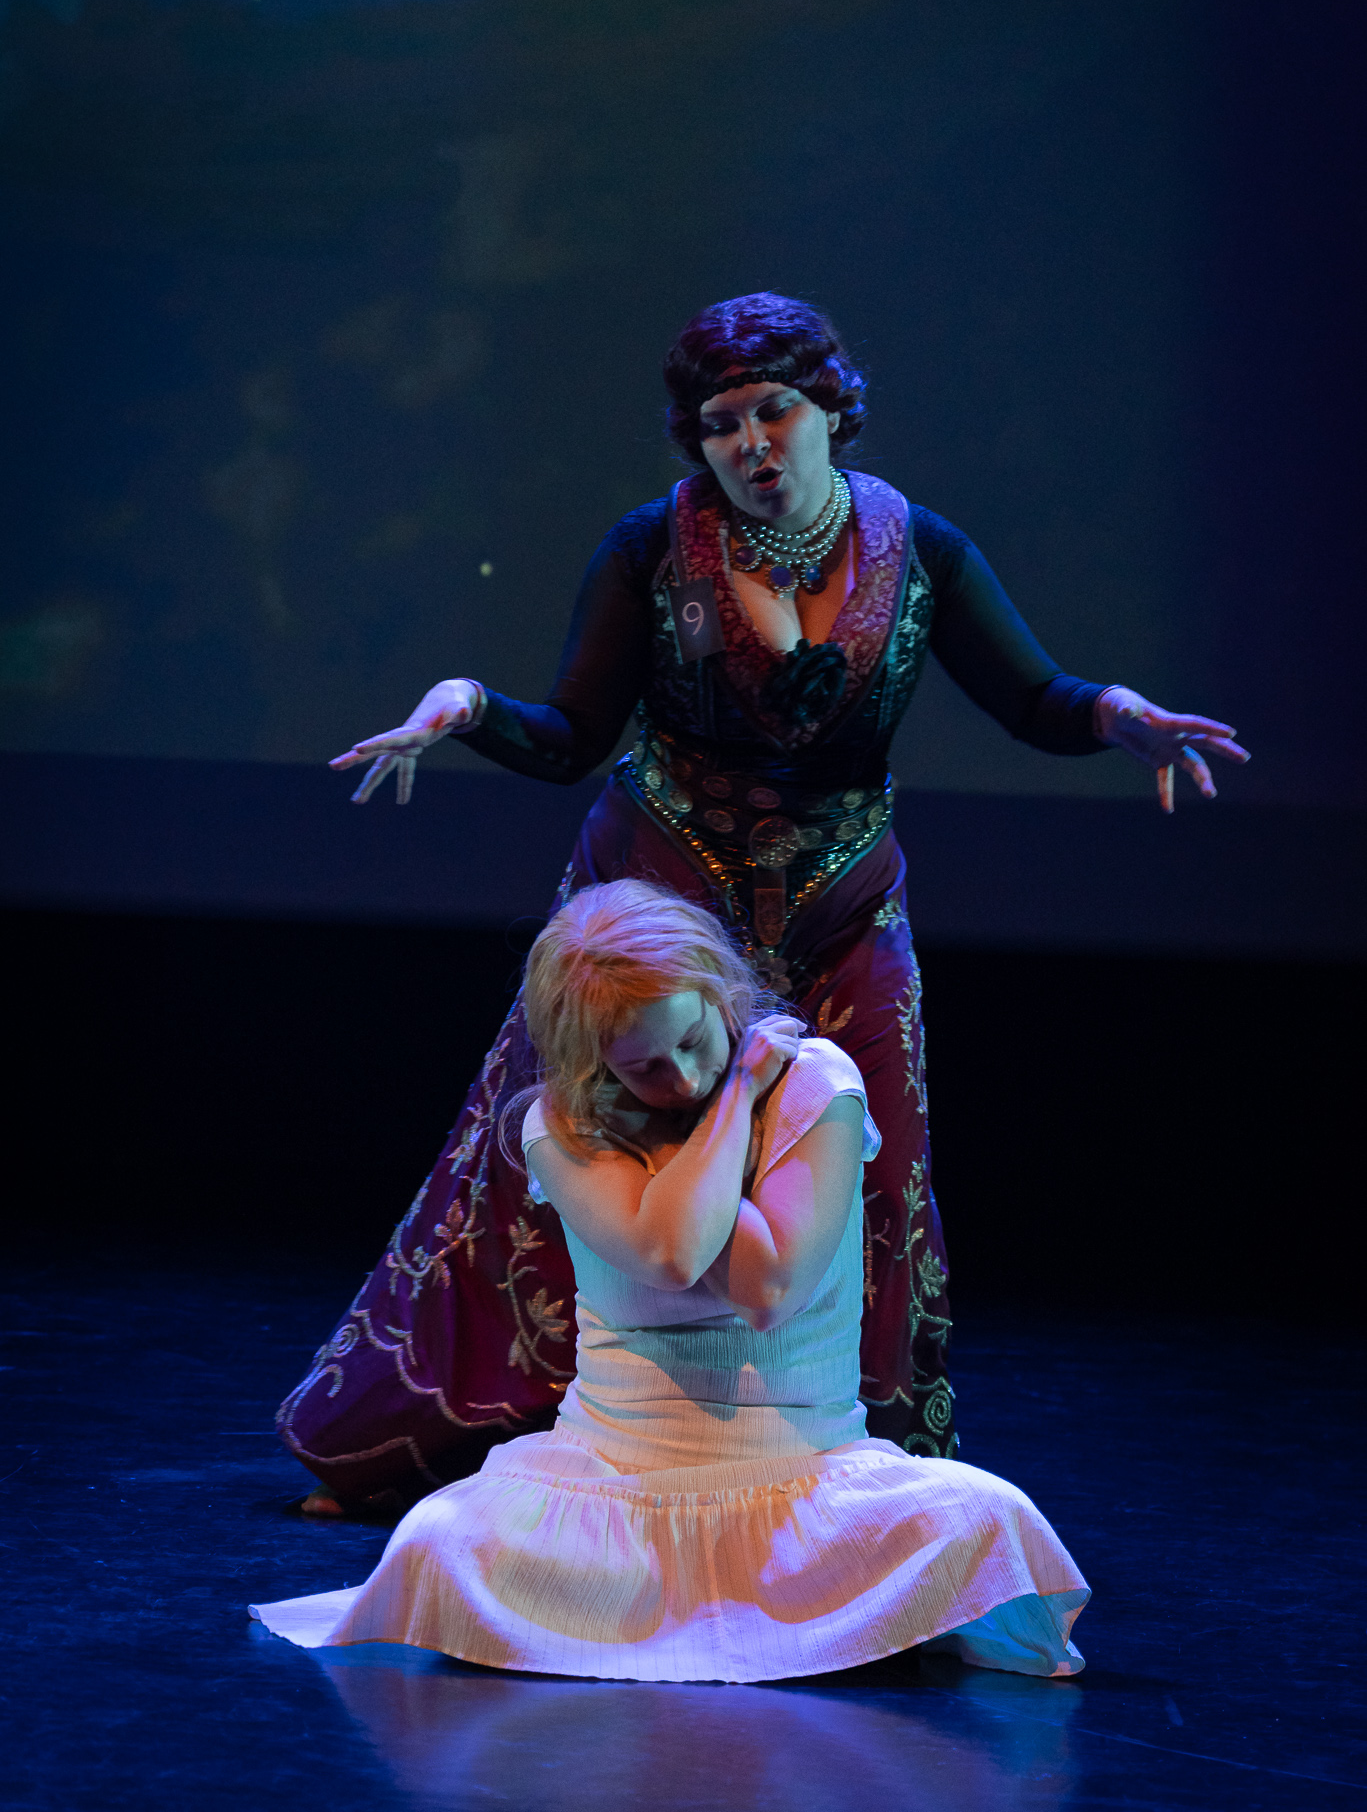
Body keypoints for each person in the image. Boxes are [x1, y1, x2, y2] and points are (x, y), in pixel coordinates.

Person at [278, 291, 1247, 1510]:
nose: (750, 443)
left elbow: (1030, 698)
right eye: (721, 423)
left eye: (772, 410)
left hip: (838, 901)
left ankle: (867, 1460)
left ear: (829, 406)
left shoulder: (918, 546)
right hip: (659, 899)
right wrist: (466, 706)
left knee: (874, 1165)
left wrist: (1112, 714)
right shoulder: (651, 547)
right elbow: (571, 735)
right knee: (566, 1143)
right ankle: (475, 1439)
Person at [254, 883, 1090, 1682]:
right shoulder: (562, 1122)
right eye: (645, 1067)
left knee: (989, 1521)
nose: (683, 1080)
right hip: (610, 1487)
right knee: (438, 1539)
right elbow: (669, 1254)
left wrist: (711, 1111)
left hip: (806, 1486)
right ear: (593, 1066)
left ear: (722, 996)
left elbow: (766, 1291)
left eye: (694, 1041)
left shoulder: (811, 1079)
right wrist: (721, 1110)